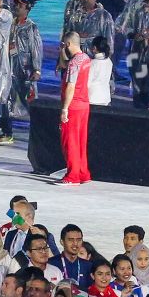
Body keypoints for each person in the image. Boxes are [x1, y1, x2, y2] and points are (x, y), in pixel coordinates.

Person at [58, 32, 92, 184]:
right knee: (80, 141)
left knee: (70, 141)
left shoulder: (74, 64)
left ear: (68, 44)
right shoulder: (85, 59)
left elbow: (71, 85)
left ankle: (72, 176)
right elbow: (67, 66)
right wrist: (62, 54)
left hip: (73, 106)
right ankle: (83, 173)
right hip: (84, 105)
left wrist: (65, 108)